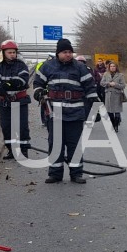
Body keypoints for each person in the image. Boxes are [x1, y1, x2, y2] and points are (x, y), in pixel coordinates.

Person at [32, 38, 99, 184]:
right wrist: (38, 93)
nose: (68, 55)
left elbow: (90, 87)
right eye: (64, 52)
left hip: (75, 113)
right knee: (56, 144)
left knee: (74, 144)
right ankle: (55, 174)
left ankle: (76, 174)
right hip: (54, 113)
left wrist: (96, 107)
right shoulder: (47, 67)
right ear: (58, 53)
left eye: (70, 52)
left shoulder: (80, 68)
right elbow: (37, 84)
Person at [0, 40, 31, 159]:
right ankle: (11, 150)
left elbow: (22, 81)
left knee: (22, 127)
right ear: (3, 53)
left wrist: (7, 84)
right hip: (5, 102)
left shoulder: (21, 65)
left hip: (20, 101)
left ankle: (23, 151)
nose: (12, 54)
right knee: (6, 127)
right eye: (9, 52)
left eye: (14, 52)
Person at [100, 61, 126, 132]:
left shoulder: (120, 75)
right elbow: (102, 83)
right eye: (111, 66)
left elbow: (123, 85)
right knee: (110, 112)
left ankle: (116, 126)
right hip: (108, 95)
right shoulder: (106, 74)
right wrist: (108, 84)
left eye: (114, 66)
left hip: (117, 95)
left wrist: (115, 84)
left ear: (116, 67)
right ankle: (113, 124)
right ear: (109, 67)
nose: (112, 68)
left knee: (117, 112)